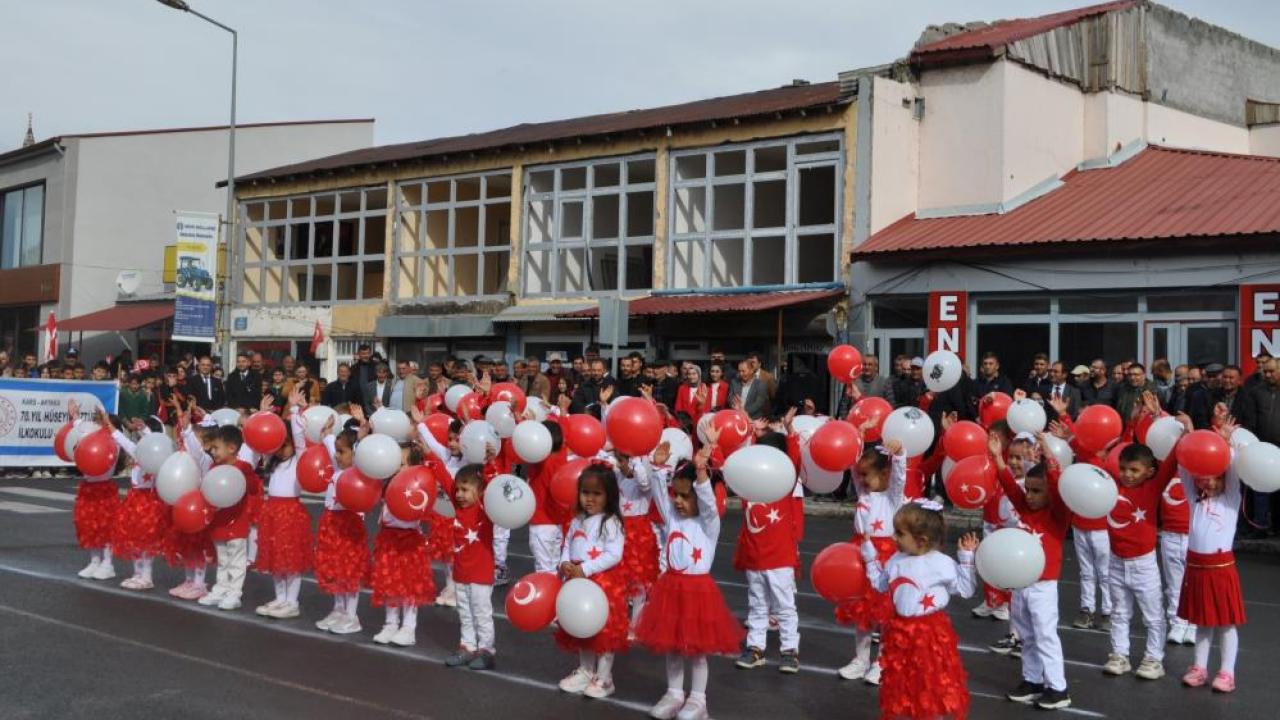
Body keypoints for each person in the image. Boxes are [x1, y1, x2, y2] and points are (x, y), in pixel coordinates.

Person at [635, 440, 744, 720]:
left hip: (698, 593)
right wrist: (658, 468)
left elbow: (707, 503)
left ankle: (698, 700)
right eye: (677, 495)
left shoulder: (709, 524)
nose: (678, 501)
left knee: (696, 649)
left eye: (685, 496)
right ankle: (674, 693)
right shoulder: (672, 517)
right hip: (670, 589)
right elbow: (660, 495)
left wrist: (702, 473)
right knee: (672, 646)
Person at [861, 502, 978, 720]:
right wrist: (870, 556)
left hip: (930, 634)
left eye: (900, 533)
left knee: (930, 682)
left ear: (921, 540)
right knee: (904, 683)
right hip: (899, 633)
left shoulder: (941, 563)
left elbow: (965, 589)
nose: (893, 537)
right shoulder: (896, 560)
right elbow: (880, 584)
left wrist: (966, 558)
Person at [992, 434, 1073, 711]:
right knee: (1026, 635)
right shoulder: (1025, 507)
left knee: (1045, 635)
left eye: (1037, 491)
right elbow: (1008, 484)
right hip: (1021, 583)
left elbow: (1058, 485)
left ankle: (1058, 688)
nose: (1029, 495)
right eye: (1028, 490)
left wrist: (1049, 455)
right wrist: (998, 458)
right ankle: (1032, 680)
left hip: (1043, 586)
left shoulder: (1058, 514)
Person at [1173, 414, 1245, 693]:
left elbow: (1233, 471)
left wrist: (1225, 443)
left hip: (1221, 567)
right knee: (1201, 621)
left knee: (1226, 623)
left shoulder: (1231, 498)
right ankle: (1199, 667)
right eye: (1203, 479)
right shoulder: (1194, 499)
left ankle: (1227, 672)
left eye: (1215, 478)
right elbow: (1184, 467)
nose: (1209, 483)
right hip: (1196, 566)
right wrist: (1189, 433)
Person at [1100, 426, 1175, 680]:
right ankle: (1119, 655)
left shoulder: (1152, 488)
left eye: (1134, 470)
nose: (1127, 475)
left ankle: (1154, 659)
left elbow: (1171, 463)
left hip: (1143, 564)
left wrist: (1183, 435)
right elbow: (1092, 472)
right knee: (1119, 613)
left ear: (1149, 472)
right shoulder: (1111, 487)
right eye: (1123, 469)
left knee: (1153, 616)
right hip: (1116, 561)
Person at [835, 437, 906, 684]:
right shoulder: (863, 493)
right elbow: (854, 467)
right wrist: (857, 437)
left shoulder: (893, 497)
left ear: (885, 474)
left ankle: (881, 662)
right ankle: (861, 660)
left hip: (885, 557)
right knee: (862, 612)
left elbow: (899, 478)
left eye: (867, 475)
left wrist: (899, 455)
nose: (862, 479)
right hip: (859, 554)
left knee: (884, 614)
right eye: (860, 474)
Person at [556, 463, 628, 700]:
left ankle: (605, 678)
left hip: (603, 583)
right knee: (582, 626)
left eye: (597, 494)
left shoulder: (611, 522)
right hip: (578, 581)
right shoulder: (577, 519)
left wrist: (585, 569)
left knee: (603, 630)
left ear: (609, 496)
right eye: (585, 492)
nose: (589, 499)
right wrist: (564, 563)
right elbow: (568, 543)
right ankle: (586, 671)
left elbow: (614, 554)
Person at [733, 431, 802, 675]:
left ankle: (790, 651)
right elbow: (732, 468)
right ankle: (755, 649)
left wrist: (791, 434)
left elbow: (795, 463)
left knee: (785, 607)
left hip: (780, 558)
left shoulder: (785, 483)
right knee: (757, 605)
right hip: (755, 557)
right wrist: (717, 444)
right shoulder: (747, 485)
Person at [252, 398, 313, 619]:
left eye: (285, 445)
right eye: (278, 446)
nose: (280, 450)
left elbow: (299, 438)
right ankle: (280, 598)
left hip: (291, 512)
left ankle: (291, 601)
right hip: (272, 511)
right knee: (275, 556)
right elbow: (261, 439)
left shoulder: (299, 458)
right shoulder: (273, 459)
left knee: (291, 559)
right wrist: (262, 415)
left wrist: (295, 409)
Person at [370, 445, 435, 648]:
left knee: (409, 585)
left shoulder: (416, 488)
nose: (397, 467)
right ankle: (390, 624)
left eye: (402, 463)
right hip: (388, 538)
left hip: (409, 540)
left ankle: (408, 628)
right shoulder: (387, 484)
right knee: (389, 583)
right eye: (395, 463)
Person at [197, 425, 263, 611]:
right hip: (219, 522)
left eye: (216, 447)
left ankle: (234, 593)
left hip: (237, 522)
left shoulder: (243, 467)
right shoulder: (214, 468)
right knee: (223, 559)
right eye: (212, 448)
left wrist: (245, 477)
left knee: (236, 559)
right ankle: (220, 589)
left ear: (232, 448)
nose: (212, 451)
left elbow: (253, 487)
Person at [442, 464, 498, 671]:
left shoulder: (486, 510)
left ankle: (486, 650)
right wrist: (428, 453)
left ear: (481, 491)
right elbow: (443, 477)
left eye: (465, 490)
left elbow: (493, 487)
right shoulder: (458, 509)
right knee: (465, 613)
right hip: (461, 573)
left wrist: (490, 465)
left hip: (481, 574)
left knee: (481, 613)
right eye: (457, 489)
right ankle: (467, 646)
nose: (459, 494)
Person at [313, 427, 368, 635]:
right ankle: (338, 609)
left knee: (349, 570)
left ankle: (351, 615)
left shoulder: (358, 472)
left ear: (355, 453)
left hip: (349, 524)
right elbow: (330, 446)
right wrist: (327, 434)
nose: (337, 455)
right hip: (331, 522)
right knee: (335, 568)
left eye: (342, 452)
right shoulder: (337, 469)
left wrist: (360, 441)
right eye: (336, 451)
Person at [107, 414, 167, 591]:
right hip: (134, 499)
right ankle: (137, 573)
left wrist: (144, 430)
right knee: (133, 538)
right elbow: (123, 441)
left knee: (146, 540)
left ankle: (147, 576)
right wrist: (109, 425)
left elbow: (153, 442)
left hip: (148, 500)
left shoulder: (159, 456)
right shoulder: (139, 452)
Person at [66, 400, 121, 581]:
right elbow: (82, 429)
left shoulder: (114, 441)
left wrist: (104, 420)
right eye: (98, 421)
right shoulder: (92, 436)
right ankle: (94, 561)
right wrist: (75, 416)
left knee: (106, 527)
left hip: (104, 488)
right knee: (88, 526)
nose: (98, 424)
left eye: (103, 422)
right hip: (88, 488)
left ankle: (108, 563)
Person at [614, 449, 659, 637]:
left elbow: (644, 483)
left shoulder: (643, 475)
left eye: (622, 461)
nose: (619, 464)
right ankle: (620, 622)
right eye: (618, 460)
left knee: (639, 581)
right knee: (619, 580)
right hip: (619, 529)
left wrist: (636, 459)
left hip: (639, 532)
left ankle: (635, 624)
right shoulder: (618, 476)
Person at [1238, 357, 1280, 536]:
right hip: (1262, 449)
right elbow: (1250, 421)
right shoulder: (1255, 392)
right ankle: (1260, 527)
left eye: (1271, 371)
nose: (1267, 374)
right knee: (1261, 490)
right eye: (1265, 371)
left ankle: (1277, 527)